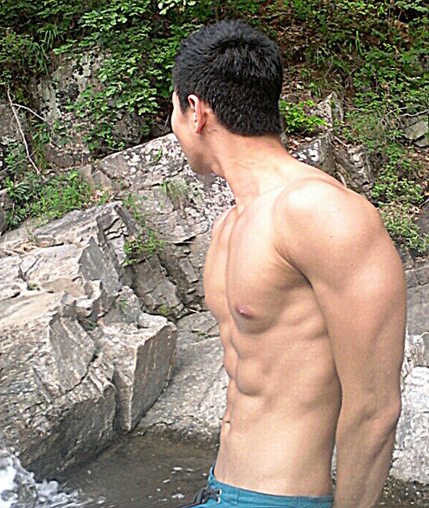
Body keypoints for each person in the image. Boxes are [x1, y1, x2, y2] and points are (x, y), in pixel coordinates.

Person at [170, 20, 406, 508]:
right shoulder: (231, 225)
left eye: (172, 109)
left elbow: (375, 410)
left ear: (196, 111)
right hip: (219, 487)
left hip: (281, 497)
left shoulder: (320, 213)